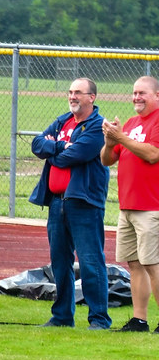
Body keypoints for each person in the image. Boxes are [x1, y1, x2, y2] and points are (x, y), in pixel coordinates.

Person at [29, 77, 111, 330]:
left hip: (84, 203)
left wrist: (54, 151)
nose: (72, 96)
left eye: (78, 92)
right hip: (56, 202)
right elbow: (36, 144)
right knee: (59, 262)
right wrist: (61, 145)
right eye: (70, 92)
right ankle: (62, 317)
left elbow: (73, 157)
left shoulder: (98, 126)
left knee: (90, 261)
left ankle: (99, 320)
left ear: (91, 98)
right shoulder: (63, 120)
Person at [101, 76, 159, 333]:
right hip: (128, 206)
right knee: (135, 264)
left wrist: (120, 137)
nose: (136, 97)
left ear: (156, 95)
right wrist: (109, 141)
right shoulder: (132, 123)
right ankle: (139, 320)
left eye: (142, 93)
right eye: (134, 92)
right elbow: (106, 160)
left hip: (151, 206)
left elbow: (152, 154)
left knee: (152, 264)